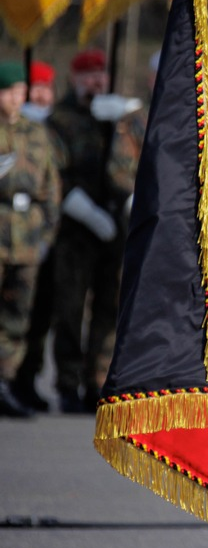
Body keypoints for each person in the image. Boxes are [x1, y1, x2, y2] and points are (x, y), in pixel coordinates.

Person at [46, 48, 139, 413]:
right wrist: (85, 211)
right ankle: (67, 382)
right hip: (76, 230)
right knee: (69, 308)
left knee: (109, 307)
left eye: (101, 74)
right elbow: (55, 172)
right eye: (88, 75)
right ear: (74, 79)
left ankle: (96, 381)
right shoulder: (61, 119)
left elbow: (139, 158)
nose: (96, 81)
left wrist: (125, 117)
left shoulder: (120, 119)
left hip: (117, 228)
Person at [0, 61, 60, 418]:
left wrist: (45, 236)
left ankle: (4, 383)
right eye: (10, 92)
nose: (17, 99)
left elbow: (51, 188)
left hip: (25, 243)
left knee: (16, 317)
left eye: (21, 92)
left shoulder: (36, 133)